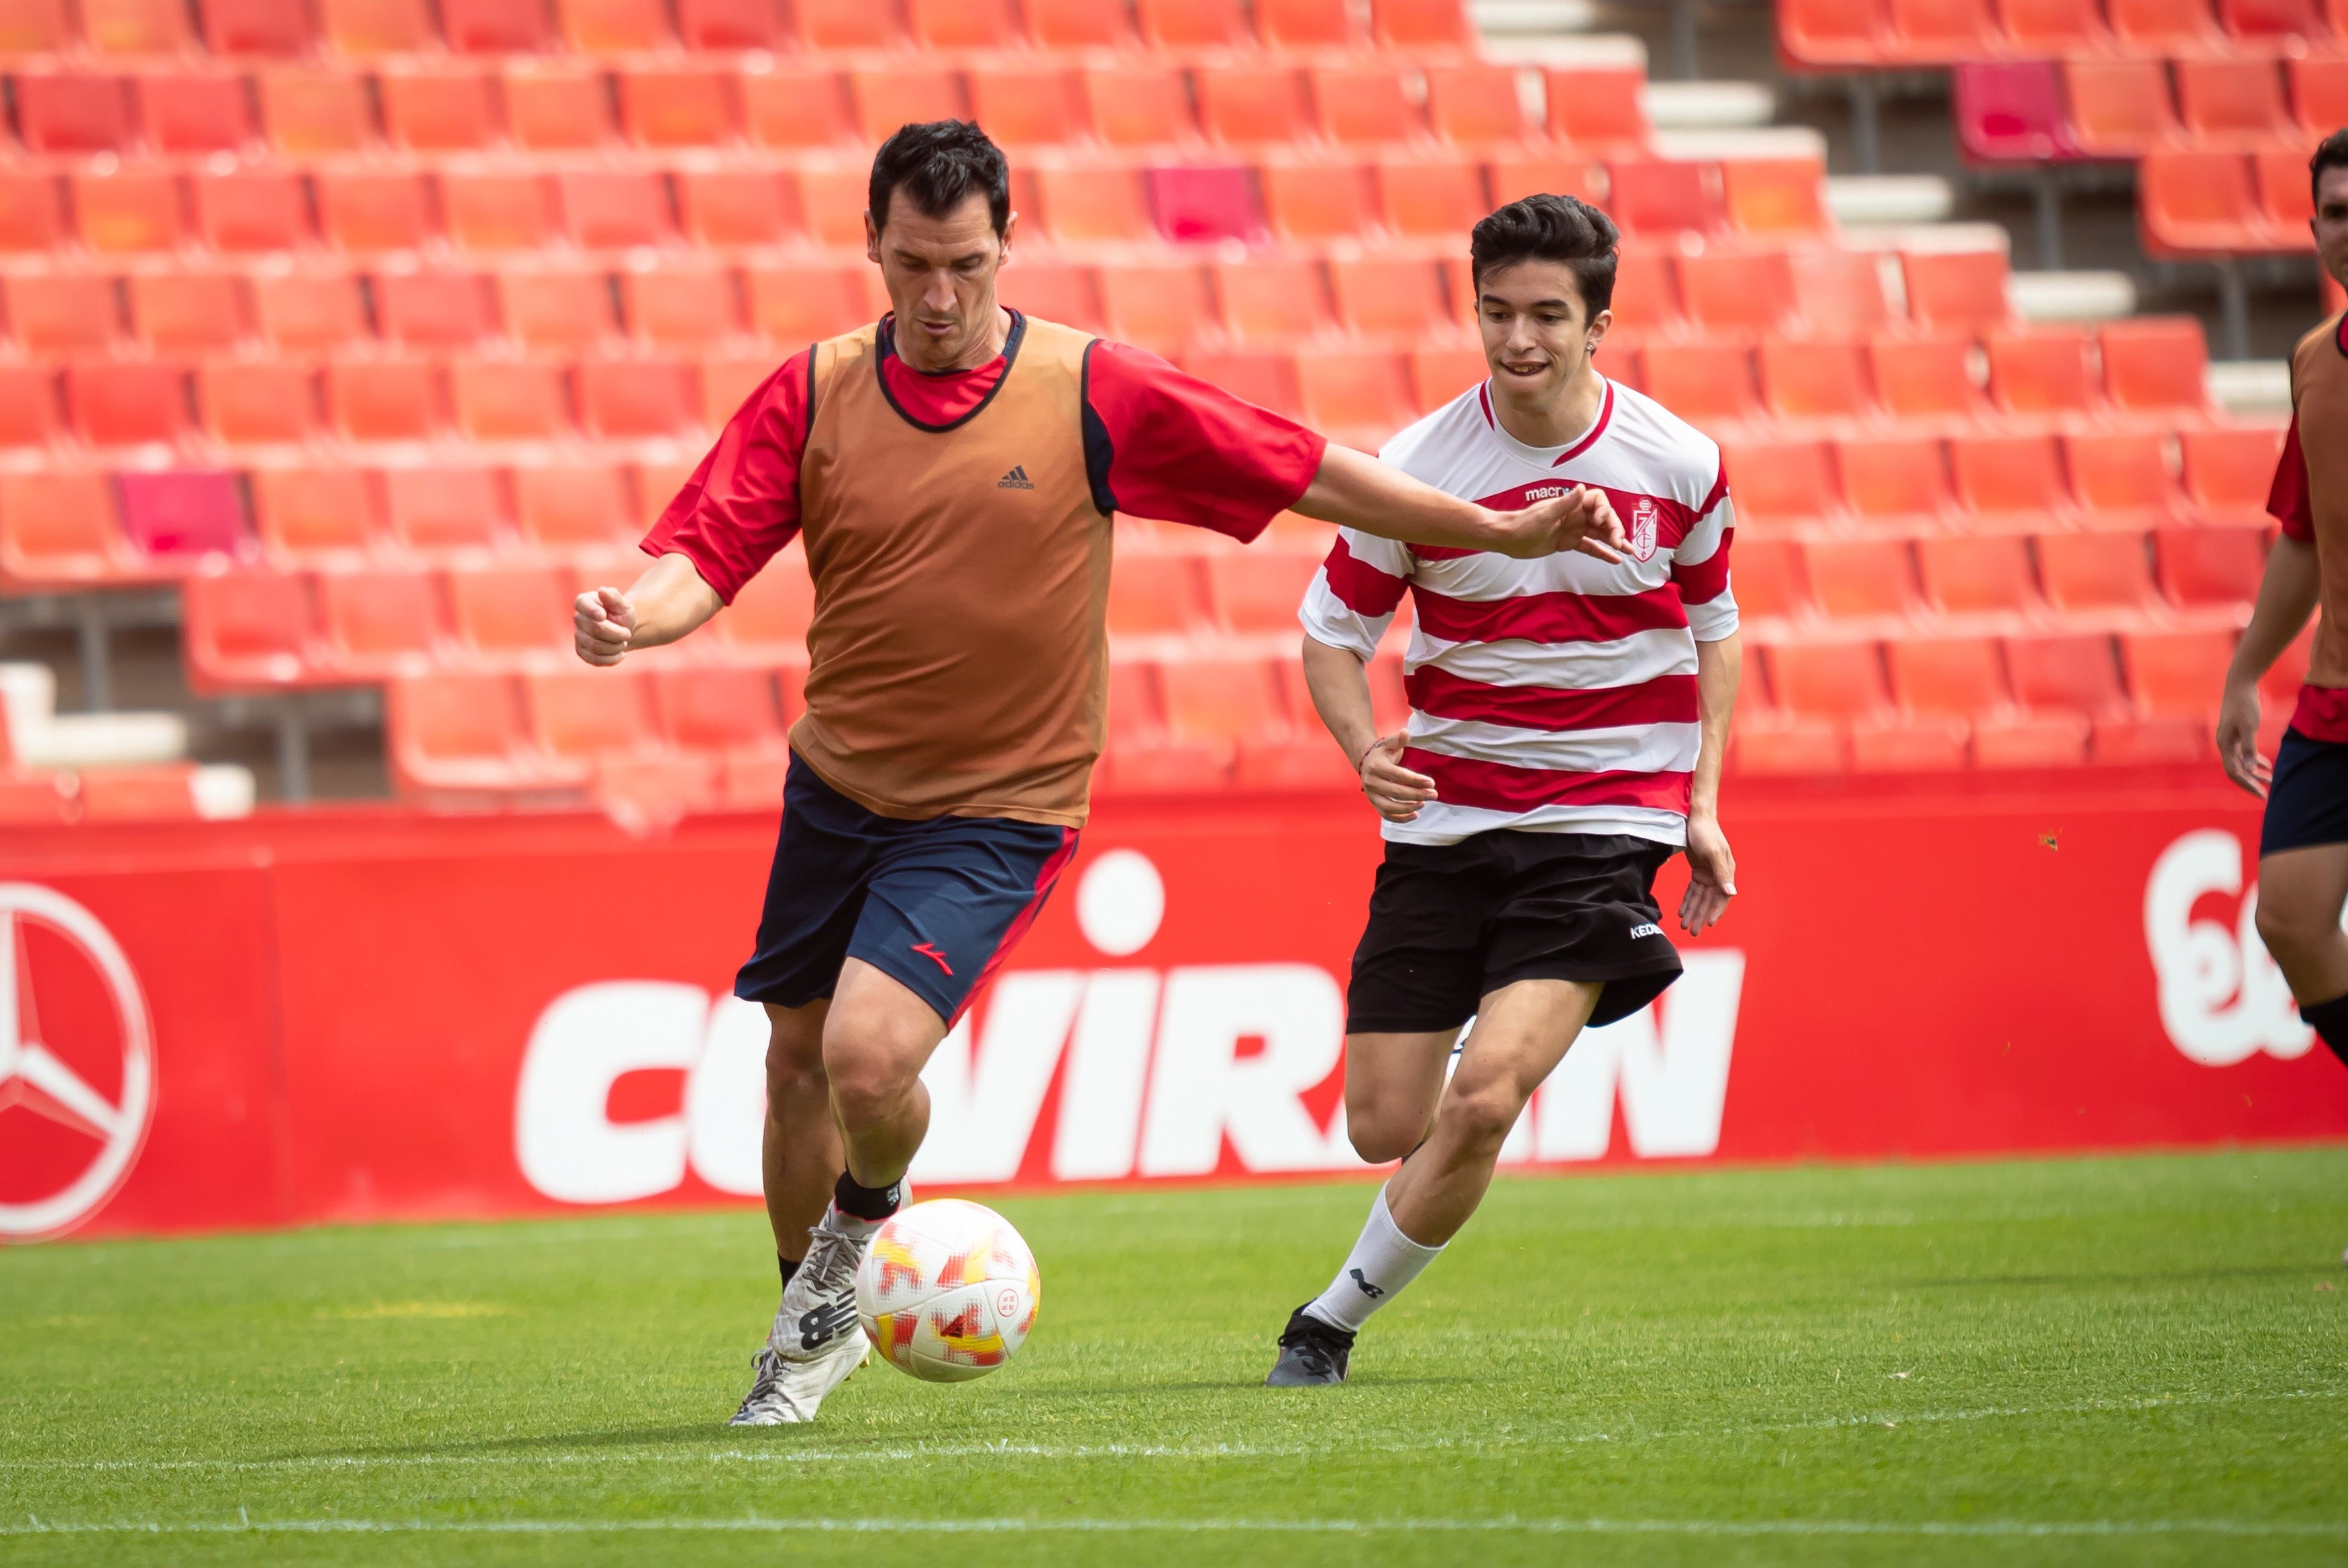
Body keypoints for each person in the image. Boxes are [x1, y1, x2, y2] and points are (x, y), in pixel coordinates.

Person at [572, 122, 1627, 1426]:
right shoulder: (814, 390)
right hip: (836, 784)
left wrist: (1491, 527)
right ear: (871, 247)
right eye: (912, 263)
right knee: (792, 1061)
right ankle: (811, 1314)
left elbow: (1300, 467)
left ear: (1006, 246)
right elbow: (701, 555)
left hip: (997, 804)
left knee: (859, 1058)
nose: (940, 296)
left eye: (964, 263)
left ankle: (859, 1235)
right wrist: (635, 618)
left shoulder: (1089, 387)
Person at [1262, 193, 1742, 1386]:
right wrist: (1360, 742)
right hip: (1447, 820)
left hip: (1600, 824)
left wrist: (1700, 806)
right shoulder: (1416, 469)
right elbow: (1330, 633)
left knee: (1482, 1098)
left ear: (1600, 323)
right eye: (1496, 312)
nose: (1518, 339)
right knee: (1384, 1120)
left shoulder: (1678, 463)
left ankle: (1325, 1325)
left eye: (1546, 316)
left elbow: (1716, 630)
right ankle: (1432, 1161)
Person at [2218, 129, 2348, 1071]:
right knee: (2290, 919)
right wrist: (2245, 675)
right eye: (2337, 212)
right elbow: (2304, 535)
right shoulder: (2314, 360)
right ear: (2314, 232)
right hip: (2336, 698)